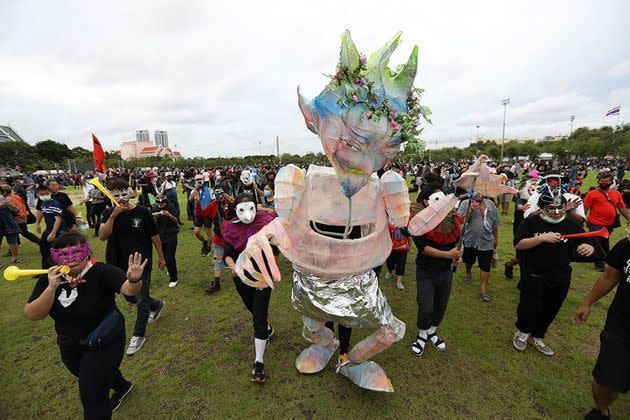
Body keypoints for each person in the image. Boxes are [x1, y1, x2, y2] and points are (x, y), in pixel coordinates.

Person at [25, 232, 146, 418]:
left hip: (103, 340)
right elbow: (33, 315)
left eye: (76, 252)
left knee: (92, 396)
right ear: (55, 257)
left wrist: (134, 280)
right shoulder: (50, 279)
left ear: (87, 252)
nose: (71, 259)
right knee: (87, 373)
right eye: (64, 255)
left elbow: (128, 290)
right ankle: (122, 386)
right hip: (68, 344)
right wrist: (51, 288)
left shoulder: (101, 271)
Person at [512, 191, 594, 356]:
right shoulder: (531, 222)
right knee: (529, 306)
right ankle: (522, 332)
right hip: (534, 274)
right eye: (551, 209)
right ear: (541, 208)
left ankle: (537, 336)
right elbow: (519, 244)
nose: (556, 213)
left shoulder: (571, 224)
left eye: (560, 208)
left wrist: (588, 247)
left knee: (551, 307)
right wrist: (541, 238)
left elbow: (585, 240)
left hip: (560, 276)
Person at [98, 178, 166, 356]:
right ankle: (157, 305)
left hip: (141, 263)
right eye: (115, 192)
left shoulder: (143, 212)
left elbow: (154, 235)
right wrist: (113, 215)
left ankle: (138, 335)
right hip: (117, 262)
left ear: (130, 191)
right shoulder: (107, 213)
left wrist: (161, 256)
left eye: (123, 191)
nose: (121, 196)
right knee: (129, 296)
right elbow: (102, 236)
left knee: (141, 298)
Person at [222, 193, 275, 382]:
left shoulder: (265, 224)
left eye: (250, 207)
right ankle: (266, 329)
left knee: (258, 317)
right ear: (236, 210)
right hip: (241, 278)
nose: (247, 214)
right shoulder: (231, 229)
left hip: (262, 276)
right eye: (242, 209)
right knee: (253, 310)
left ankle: (258, 363)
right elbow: (227, 254)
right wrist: (233, 267)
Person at [576, 232, 630, 419]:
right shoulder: (626, 245)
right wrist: (588, 302)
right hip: (621, 324)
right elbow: (610, 276)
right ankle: (601, 410)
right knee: (605, 380)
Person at [410, 184, 462, 356]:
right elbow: (423, 248)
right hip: (426, 270)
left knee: (441, 305)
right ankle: (422, 334)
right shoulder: (417, 220)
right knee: (426, 306)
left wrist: (457, 255)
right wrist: (448, 254)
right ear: (426, 201)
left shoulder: (450, 218)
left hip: (445, 271)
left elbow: (456, 242)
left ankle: (432, 331)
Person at [583, 171, 630, 272]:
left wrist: (628, 218)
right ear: (599, 181)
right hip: (594, 222)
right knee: (599, 241)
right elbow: (585, 209)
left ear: (611, 182)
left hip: (610, 223)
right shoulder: (592, 194)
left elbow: (622, 208)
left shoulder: (616, 194)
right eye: (602, 181)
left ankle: (596, 257)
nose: (604, 182)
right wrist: (582, 220)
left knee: (604, 241)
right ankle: (600, 262)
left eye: (607, 181)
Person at [458, 193, 499, 302]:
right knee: (469, 260)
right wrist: (470, 211)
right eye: (476, 191)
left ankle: (482, 289)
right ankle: (468, 272)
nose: (479, 194)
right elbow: (460, 221)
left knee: (485, 265)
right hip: (470, 239)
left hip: (487, 240)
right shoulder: (465, 204)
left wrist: (496, 238)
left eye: (481, 191)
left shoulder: (490, 205)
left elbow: (495, 223)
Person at [204, 187, 235, 294]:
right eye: (217, 196)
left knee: (234, 258)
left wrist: (233, 202)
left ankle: (238, 278)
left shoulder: (231, 202)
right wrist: (198, 202)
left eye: (221, 195)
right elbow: (203, 214)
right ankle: (216, 284)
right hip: (219, 237)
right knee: (218, 259)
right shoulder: (213, 205)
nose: (219, 197)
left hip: (232, 237)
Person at [35, 184, 67, 267]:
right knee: (43, 249)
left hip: (58, 231)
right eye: (42, 194)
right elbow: (41, 213)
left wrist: (53, 233)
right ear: (37, 195)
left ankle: (55, 269)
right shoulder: (43, 204)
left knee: (54, 251)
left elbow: (58, 219)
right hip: (48, 230)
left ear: (50, 193)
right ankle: (46, 270)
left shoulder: (54, 204)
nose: (44, 196)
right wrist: (37, 224)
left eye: (46, 193)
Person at [154, 195, 180, 288]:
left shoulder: (170, 207)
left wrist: (168, 214)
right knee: (165, 256)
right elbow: (152, 225)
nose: (161, 205)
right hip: (160, 236)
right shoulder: (154, 209)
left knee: (169, 256)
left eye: (163, 203)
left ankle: (174, 279)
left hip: (171, 234)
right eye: (159, 203)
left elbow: (176, 220)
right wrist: (155, 218)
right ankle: (171, 268)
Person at [189, 175, 217, 256]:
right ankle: (204, 242)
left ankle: (208, 248)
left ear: (204, 180)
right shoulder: (194, 190)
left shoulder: (209, 190)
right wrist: (195, 190)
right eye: (197, 180)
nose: (199, 181)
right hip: (198, 213)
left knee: (208, 231)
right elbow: (190, 200)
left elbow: (214, 201)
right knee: (196, 232)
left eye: (200, 179)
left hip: (207, 214)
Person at [384, 222, 410, 290]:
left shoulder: (405, 223)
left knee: (401, 264)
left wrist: (409, 246)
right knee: (389, 262)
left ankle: (399, 282)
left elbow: (409, 236)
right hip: (390, 248)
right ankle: (390, 272)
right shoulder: (388, 223)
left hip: (402, 249)